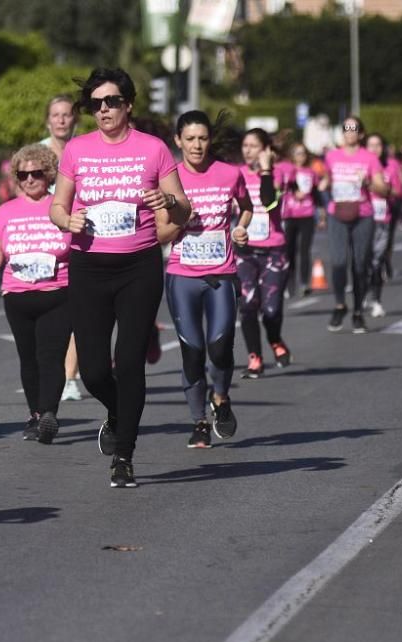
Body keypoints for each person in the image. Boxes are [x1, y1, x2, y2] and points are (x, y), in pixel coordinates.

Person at [50, 67, 191, 488]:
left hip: (138, 267)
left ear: (128, 104)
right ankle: (117, 412)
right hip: (88, 266)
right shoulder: (76, 150)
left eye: (112, 101)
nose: (104, 110)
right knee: (93, 371)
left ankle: (124, 455)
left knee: (129, 363)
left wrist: (166, 198)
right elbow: (57, 206)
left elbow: (183, 209)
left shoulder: (153, 150)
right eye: (96, 104)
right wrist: (67, 220)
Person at [0, 144, 71, 444]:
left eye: (37, 173)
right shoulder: (6, 211)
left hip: (57, 292)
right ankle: (36, 414)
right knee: (28, 357)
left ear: (49, 174)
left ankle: (49, 413)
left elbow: (80, 246)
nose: (30, 179)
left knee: (51, 356)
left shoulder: (63, 205)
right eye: (23, 174)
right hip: (17, 295)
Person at [167, 110, 253, 448]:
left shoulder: (230, 174)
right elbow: (160, 226)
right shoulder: (169, 177)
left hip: (222, 274)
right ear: (179, 141)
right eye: (190, 139)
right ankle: (199, 422)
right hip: (182, 275)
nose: (197, 145)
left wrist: (241, 226)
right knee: (192, 351)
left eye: (203, 138)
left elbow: (245, 206)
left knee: (219, 348)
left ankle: (221, 397)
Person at [324, 116, 388, 333]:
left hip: (363, 215)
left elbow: (383, 189)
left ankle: (358, 310)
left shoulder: (369, 158)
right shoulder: (331, 157)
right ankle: (340, 304)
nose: (349, 133)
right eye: (346, 129)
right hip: (337, 214)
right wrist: (323, 185)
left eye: (354, 129)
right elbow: (325, 182)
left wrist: (368, 182)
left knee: (360, 264)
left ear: (361, 134)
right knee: (338, 261)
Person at [39, 95, 84, 402]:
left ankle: (69, 378)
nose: (61, 120)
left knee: (76, 312)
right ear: (48, 120)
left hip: (80, 238)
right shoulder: (37, 155)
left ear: (74, 119)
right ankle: (49, 371)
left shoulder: (85, 150)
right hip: (45, 241)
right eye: (56, 115)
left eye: (66, 114)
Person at [236, 128, 289, 379]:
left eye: (254, 146)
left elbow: (268, 201)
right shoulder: (236, 175)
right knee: (247, 305)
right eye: (245, 145)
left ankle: (275, 338)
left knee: (271, 310)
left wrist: (266, 169)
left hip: (273, 250)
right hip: (245, 250)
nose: (247, 150)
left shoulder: (280, 174)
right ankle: (255, 357)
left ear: (266, 149)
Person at [365, 132, 402, 318]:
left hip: (383, 219)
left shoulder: (391, 166)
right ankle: (363, 292)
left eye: (378, 145)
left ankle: (376, 300)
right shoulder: (360, 164)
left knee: (377, 261)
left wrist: (386, 190)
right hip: (362, 220)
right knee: (361, 261)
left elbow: (398, 191)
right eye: (371, 145)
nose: (374, 149)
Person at [281, 142, 320, 298]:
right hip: (289, 215)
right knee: (289, 251)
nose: (300, 156)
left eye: (303, 153)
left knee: (305, 250)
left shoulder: (311, 172)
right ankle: (289, 285)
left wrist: (321, 214)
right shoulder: (287, 170)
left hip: (307, 214)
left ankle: (304, 283)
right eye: (297, 153)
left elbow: (317, 194)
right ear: (292, 155)